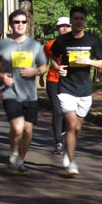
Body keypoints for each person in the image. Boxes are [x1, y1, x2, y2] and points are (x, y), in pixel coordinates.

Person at [0, 9, 48, 175]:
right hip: (10, 92)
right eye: (16, 22)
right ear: (11, 24)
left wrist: (35, 71)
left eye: (23, 22)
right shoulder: (1, 45)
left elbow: (44, 66)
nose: (20, 25)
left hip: (30, 94)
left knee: (28, 130)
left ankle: (20, 160)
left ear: (27, 24)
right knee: (17, 127)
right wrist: (1, 76)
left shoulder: (35, 45)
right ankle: (13, 154)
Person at [50, 6, 102, 177]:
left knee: (77, 129)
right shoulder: (63, 40)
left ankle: (68, 152)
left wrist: (88, 61)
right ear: (71, 21)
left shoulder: (92, 40)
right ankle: (72, 162)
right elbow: (53, 57)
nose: (78, 21)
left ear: (85, 21)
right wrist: (58, 68)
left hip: (84, 90)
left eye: (81, 18)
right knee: (71, 125)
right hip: (66, 88)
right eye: (75, 18)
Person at [43, 16, 72, 154]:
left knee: (68, 111)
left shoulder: (76, 45)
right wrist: (41, 75)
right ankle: (58, 142)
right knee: (57, 110)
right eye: (61, 26)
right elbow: (43, 61)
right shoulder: (50, 45)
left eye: (67, 26)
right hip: (53, 80)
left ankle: (62, 132)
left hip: (71, 83)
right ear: (57, 28)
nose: (64, 28)